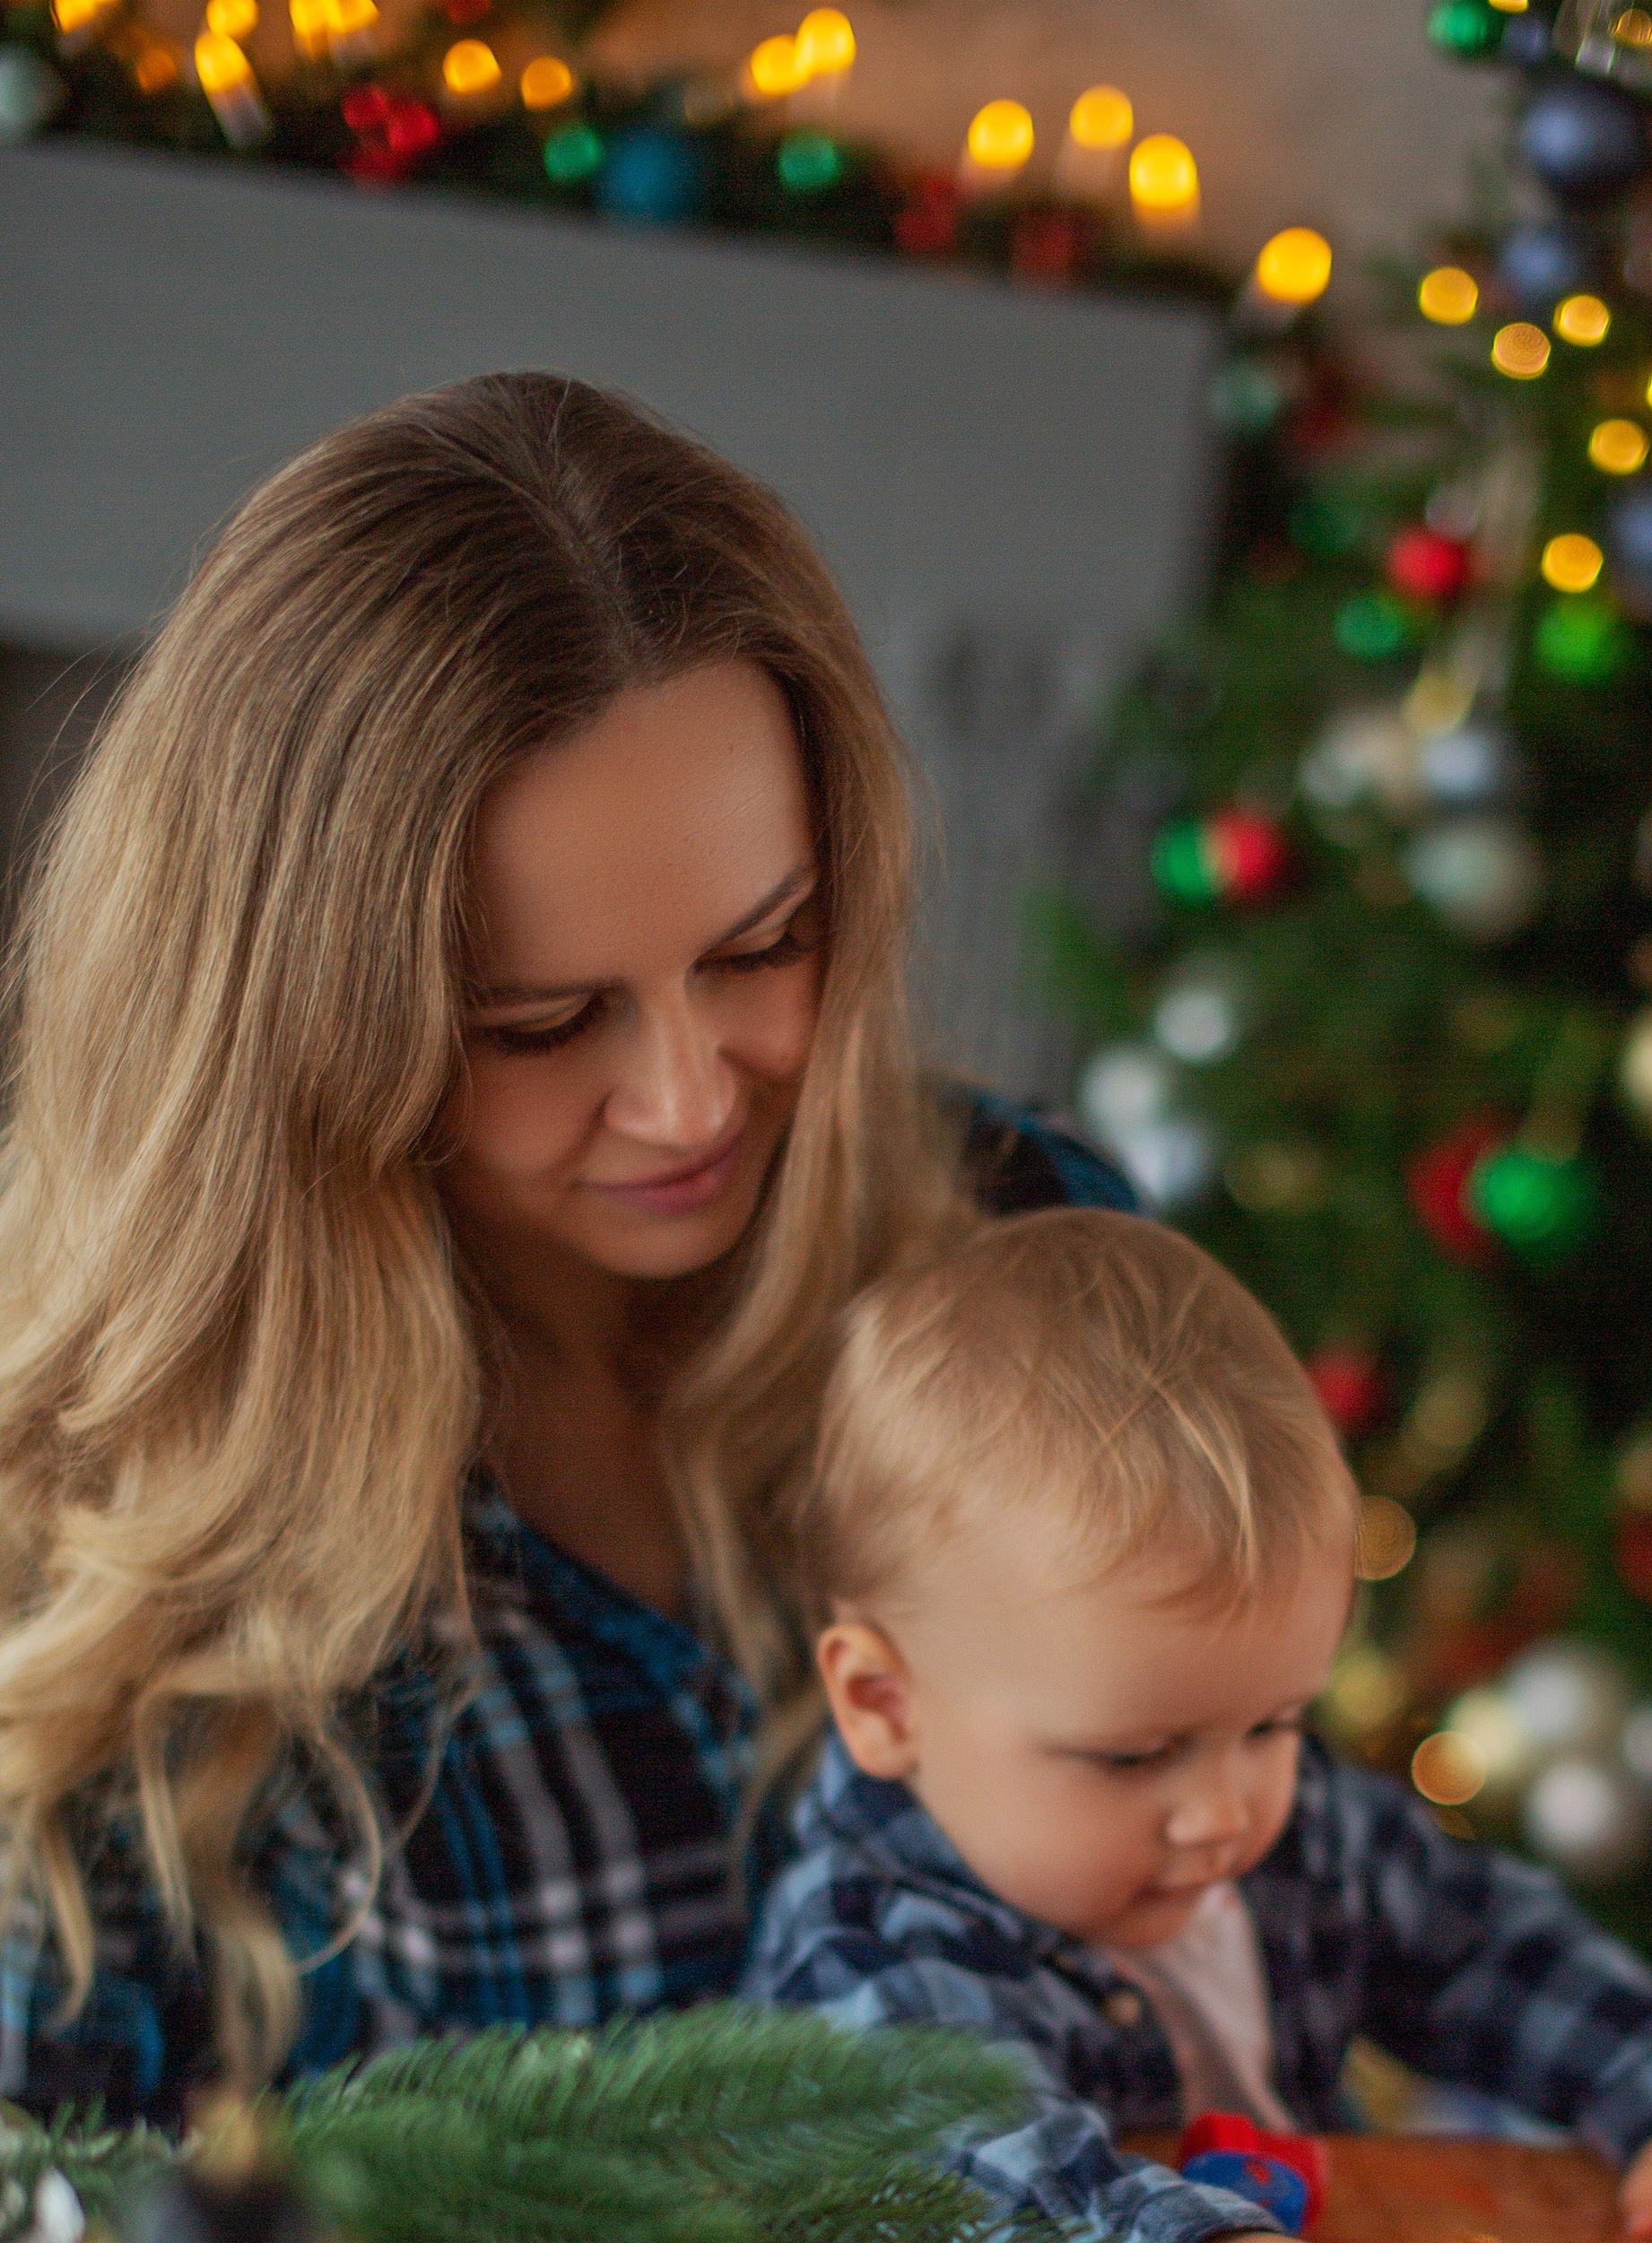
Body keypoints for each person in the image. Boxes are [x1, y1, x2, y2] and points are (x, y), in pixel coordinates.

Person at [0, 372, 1123, 2124]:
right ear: (304, 1038)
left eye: (764, 947)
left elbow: (1288, 1865)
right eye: (539, 1025)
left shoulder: (1024, 1255)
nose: (686, 1104)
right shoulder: (91, 1506)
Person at [748, 1211, 1652, 2243]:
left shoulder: (1288, 1834)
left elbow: (1487, 1943)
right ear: (883, 1705)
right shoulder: (866, 1947)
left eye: (1274, 1722)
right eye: (1134, 1754)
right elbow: (995, 2205)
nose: (1226, 1809)